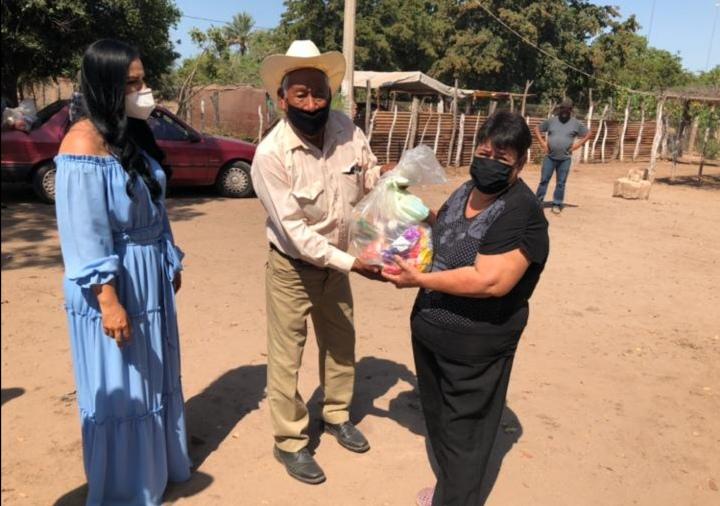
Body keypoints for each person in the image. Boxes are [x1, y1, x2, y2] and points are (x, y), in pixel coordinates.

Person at [383, 111, 550, 506]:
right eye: (484, 153)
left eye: (502, 158)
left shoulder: (520, 211)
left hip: (475, 344)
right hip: (431, 330)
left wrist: (419, 281)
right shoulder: (466, 190)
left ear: (521, 163)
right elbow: (445, 229)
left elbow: (489, 281)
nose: (489, 162)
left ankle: (455, 500)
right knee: (440, 419)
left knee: (465, 434)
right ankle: (449, 491)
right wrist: (409, 206)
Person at [55, 39, 191, 505]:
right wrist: (109, 301)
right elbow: (84, 234)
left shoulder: (129, 135)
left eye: (143, 79)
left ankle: (157, 467)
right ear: (105, 85)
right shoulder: (81, 144)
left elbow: (155, 203)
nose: (143, 90)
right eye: (132, 83)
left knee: (154, 375)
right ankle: (126, 487)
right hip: (111, 284)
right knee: (123, 384)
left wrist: (168, 258)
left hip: (148, 276)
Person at [251, 40, 392, 485]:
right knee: (286, 357)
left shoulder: (347, 129)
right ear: (282, 99)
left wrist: (387, 181)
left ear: (330, 94)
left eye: (319, 93)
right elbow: (295, 233)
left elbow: (368, 179)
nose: (312, 104)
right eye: (301, 95)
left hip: (339, 267)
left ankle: (336, 415)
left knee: (341, 344)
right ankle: (290, 441)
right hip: (293, 270)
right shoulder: (271, 155)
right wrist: (353, 264)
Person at [534, 98, 592, 214]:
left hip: (565, 159)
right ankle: (537, 203)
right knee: (544, 180)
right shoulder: (552, 121)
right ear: (559, 109)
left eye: (567, 109)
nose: (565, 111)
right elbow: (537, 129)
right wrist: (543, 143)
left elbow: (589, 133)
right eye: (563, 109)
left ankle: (557, 204)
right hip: (549, 157)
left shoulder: (576, 123)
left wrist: (577, 145)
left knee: (561, 183)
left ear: (571, 110)